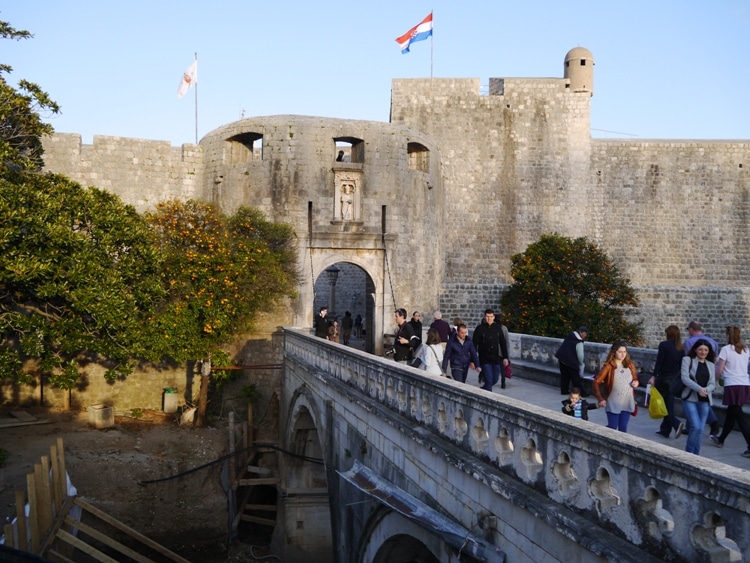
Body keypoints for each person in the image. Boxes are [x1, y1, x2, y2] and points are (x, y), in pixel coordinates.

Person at [710, 326, 750, 457]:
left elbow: (720, 370)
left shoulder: (726, 350)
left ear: (728, 336)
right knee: (731, 412)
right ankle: (721, 439)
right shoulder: (745, 349)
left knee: (738, 414)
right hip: (744, 384)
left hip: (732, 384)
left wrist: (713, 381)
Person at [682, 320, 721, 436]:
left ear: (691, 329)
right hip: (709, 375)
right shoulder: (713, 342)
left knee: (694, 400)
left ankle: (711, 421)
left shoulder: (689, 342)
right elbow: (715, 360)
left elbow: (688, 361)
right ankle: (691, 427)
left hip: (695, 377)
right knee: (702, 401)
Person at [592, 341, 639, 433]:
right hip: (613, 402)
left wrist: (636, 382)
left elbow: (635, 378)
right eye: (620, 352)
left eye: (624, 352)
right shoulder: (609, 366)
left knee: (623, 428)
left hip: (627, 401)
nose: (623, 354)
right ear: (614, 352)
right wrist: (600, 399)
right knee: (612, 428)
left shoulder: (630, 365)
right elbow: (596, 382)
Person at [680, 339, 717, 455]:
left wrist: (706, 390)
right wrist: (699, 389)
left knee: (701, 429)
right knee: (695, 426)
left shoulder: (711, 365)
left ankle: (696, 454)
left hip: (704, 400)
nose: (703, 352)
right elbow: (685, 378)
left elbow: (712, 383)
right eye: (700, 349)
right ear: (695, 349)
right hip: (690, 398)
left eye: (706, 350)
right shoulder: (687, 360)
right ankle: (689, 453)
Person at [649, 325, 685, 439]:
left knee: (663, 405)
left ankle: (675, 423)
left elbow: (659, 362)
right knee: (669, 404)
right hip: (674, 381)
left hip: (664, 379)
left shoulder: (664, 345)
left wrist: (654, 376)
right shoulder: (681, 348)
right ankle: (665, 430)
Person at [472, 309, 509, 391]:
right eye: (487, 316)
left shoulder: (498, 328)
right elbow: (474, 345)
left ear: (494, 317)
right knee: (489, 380)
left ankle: (484, 389)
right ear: (485, 317)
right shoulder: (479, 329)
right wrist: (473, 360)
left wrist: (505, 357)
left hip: (495, 357)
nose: (489, 318)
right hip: (484, 358)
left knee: (495, 379)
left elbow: (503, 343)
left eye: (491, 317)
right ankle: (488, 397)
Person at [555, 326, 589, 396]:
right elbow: (580, 356)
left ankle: (564, 390)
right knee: (576, 379)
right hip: (570, 361)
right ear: (580, 332)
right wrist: (581, 363)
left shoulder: (570, 336)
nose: (585, 336)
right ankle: (582, 393)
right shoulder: (578, 341)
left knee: (564, 376)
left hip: (562, 358)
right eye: (585, 334)